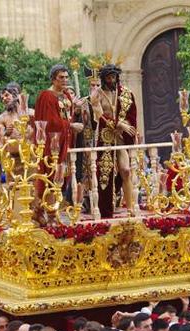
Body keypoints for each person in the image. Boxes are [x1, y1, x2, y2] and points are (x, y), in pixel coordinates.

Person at [33, 64, 82, 224]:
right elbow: (51, 123)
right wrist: (70, 126)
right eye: (61, 77)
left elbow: (66, 116)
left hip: (65, 141)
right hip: (51, 143)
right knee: (51, 176)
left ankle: (42, 211)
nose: (65, 80)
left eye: (67, 77)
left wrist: (77, 112)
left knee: (60, 178)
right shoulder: (47, 96)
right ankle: (49, 213)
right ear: (53, 79)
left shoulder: (66, 95)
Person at [89, 63, 137, 218]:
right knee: (105, 173)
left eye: (114, 77)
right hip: (106, 137)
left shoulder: (126, 94)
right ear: (104, 79)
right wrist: (117, 124)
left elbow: (131, 115)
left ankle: (130, 207)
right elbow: (99, 115)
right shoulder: (97, 95)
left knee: (126, 170)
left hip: (121, 137)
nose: (112, 80)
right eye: (109, 78)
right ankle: (106, 209)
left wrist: (125, 126)